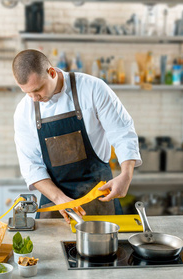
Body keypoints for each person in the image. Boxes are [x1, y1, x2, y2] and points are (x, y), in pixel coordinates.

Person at [12, 49, 141, 223]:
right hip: (56, 202)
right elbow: (31, 167)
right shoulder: (24, 111)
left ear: (51, 73)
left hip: (100, 199)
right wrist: (59, 199)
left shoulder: (93, 88)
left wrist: (126, 175)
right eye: (27, 93)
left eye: (38, 90)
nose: (34, 98)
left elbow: (122, 132)